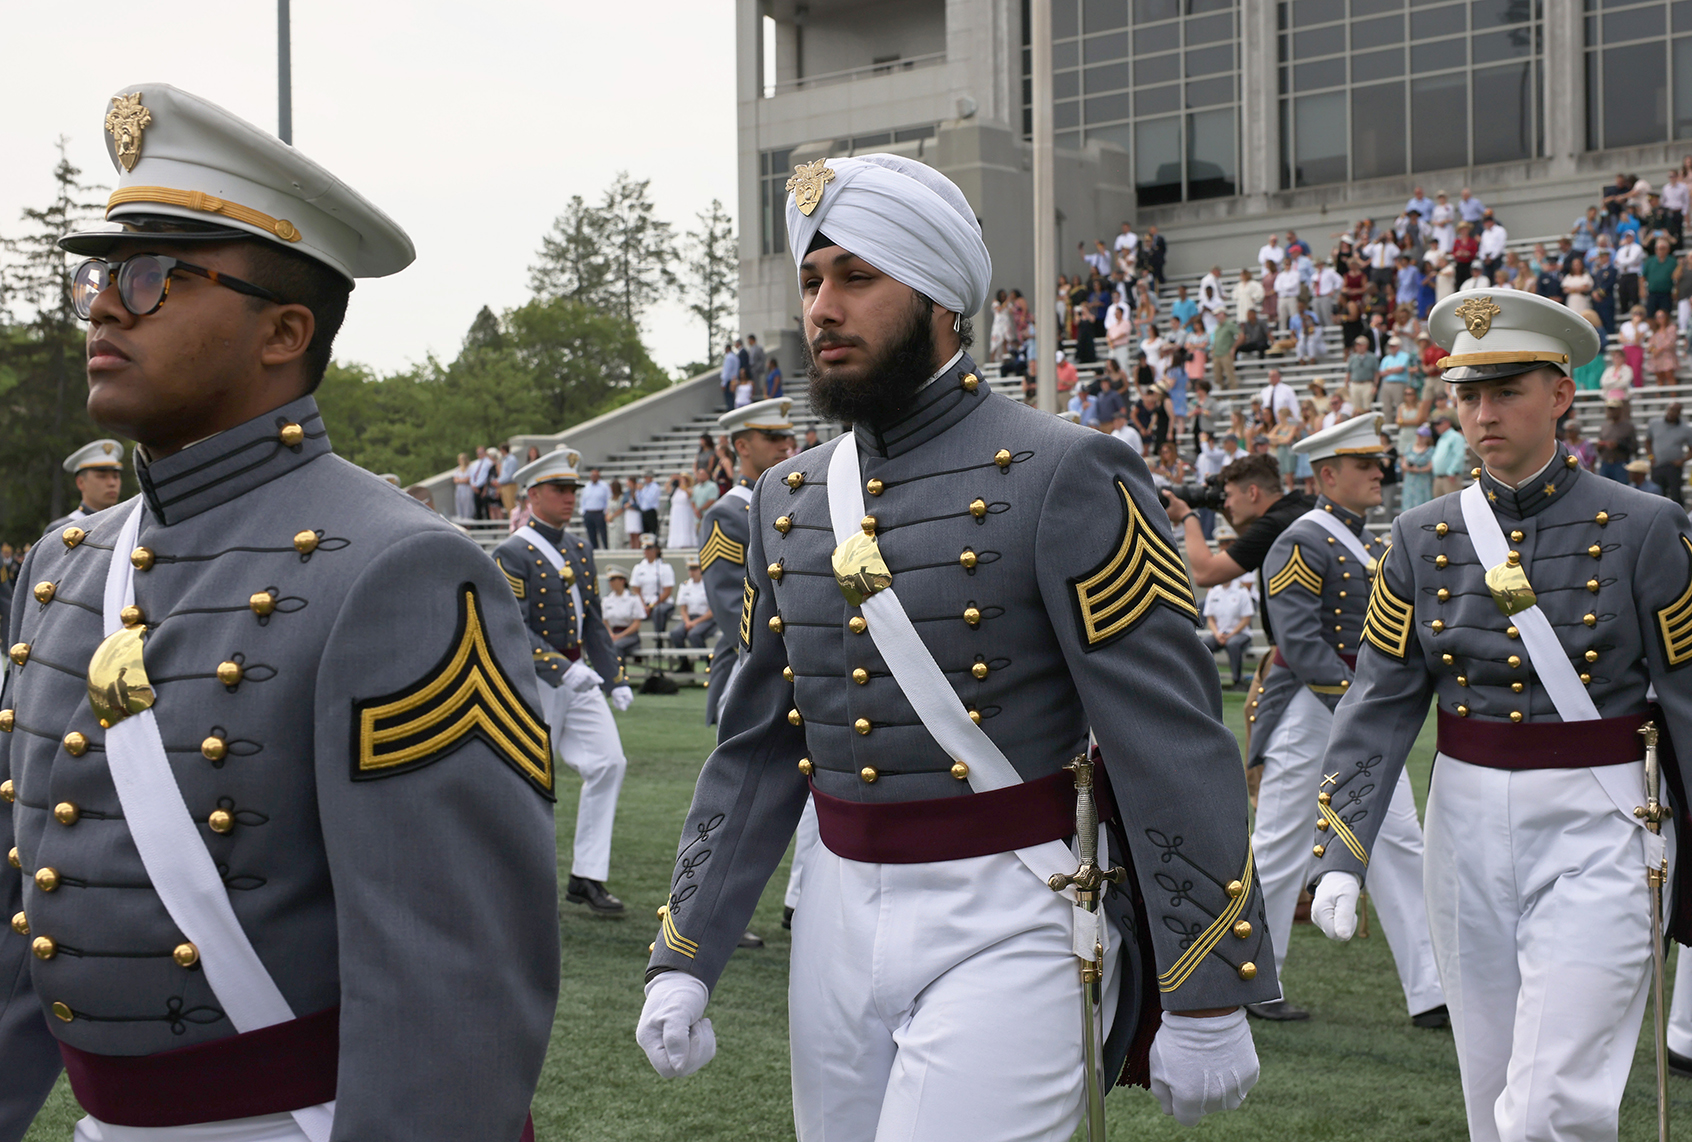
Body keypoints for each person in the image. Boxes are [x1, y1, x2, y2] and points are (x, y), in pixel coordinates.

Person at [639, 151, 1273, 1138]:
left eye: (857, 276)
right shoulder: (786, 497)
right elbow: (758, 741)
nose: (822, 308)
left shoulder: (1072, 471)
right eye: (812, 280)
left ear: (940, 296)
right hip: (835, 914)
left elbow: (1170, 737)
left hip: (1013, 909)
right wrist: (685, 949)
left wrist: (1209, 983)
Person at [0, 84, 556, 1140]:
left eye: (157, 275)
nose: (108, 305)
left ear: (284, 331)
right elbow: (21, 920)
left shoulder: (403, 570)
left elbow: (452, 993)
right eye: (104, 274)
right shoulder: (61, 565)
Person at [1308, 287, 1692, 1142]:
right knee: (1491, 1099)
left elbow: (1691, 705)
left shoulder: (1647, 526)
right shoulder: (1417, 535)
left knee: (1552, 1106)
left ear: (1561, 394)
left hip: (1604, 818)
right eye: (1468, 395)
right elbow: (1377, 705)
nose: (1484, 414)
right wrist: (1343, 851)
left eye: (1507, 390)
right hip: (1466, 820)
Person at [1242, 414, 1447, 1028]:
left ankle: (1431, 990)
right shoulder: (1302, 540)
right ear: (1328, 475)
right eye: (1365, 467)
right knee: (1280, 845)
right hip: (1311, 706)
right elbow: (1299, 640)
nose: (1378, 476)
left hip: (1357, 703)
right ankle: (1255, 976)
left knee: (1396, 840)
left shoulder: (1364, 540)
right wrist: (1357, 702)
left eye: (1377, 466)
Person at [493, 446, 634, 918]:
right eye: (560, 490)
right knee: (531, 781)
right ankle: (512, 881)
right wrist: (560, 667)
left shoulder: (579, 546)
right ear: (533, 495)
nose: (570, 498)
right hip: (536, 680)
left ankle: (587, 876)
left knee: (609, 763)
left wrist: (613, 676)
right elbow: (511, 623)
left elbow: (592, 618)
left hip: (580, 677)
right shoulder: (511, 551)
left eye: (573, 489)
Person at [697, 397, 795, 725]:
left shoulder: (794, 501)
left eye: (785, 437)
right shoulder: (726, 515)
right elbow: (729, 605)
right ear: (742, 446)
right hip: (755, 659)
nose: (784, 446)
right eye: (771, 438)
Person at [44, 440, 126, 534]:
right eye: (102, 476)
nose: (112, 483)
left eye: (116, 477)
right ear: (80, 482)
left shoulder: (130, 524)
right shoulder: (61, 531)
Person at [1201, 564, 1255, 689]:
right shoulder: (1214, 592)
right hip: (1219, 633)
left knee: (1233, 644)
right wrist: (1217, 634)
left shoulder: (1242, 592)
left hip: (1240, 633)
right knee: (1205, 645)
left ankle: (1237, 681)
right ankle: (1207, 682)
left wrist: (1231, 634)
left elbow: (1246, 619)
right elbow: (1210, 617)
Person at [668, 557, 715, 671]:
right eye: (690, 569)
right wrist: (688, 621)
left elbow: (712, 611)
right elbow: (683, 609)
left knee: (694, 635)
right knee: (675, 634)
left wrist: (695, 623)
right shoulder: (685, 586)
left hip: (706, 619)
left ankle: (708, 663)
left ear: (701, 570)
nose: (692, 572)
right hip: (690, 618)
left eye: (695, 569)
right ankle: (684, 663)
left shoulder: (708, 585)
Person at [630, 534, 675, 639]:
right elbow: (636, 590)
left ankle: (659, 639)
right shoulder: (638, 568)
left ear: (656, 550)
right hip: (643, 602)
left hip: (661, 602)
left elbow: (667, 591)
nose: (647, 552)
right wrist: (643, 605)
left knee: (658, 611)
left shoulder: (665, 567)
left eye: (650, 549)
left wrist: (652, 605)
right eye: (645, 549)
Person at [1648, 401, 1692, 507]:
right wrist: (1651, 457)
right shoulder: (1654, 423)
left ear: (1680, 413)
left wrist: (1682, 460)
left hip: (1673, 467)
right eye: (1671, 409)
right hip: (1657, 465)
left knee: (1676, 496)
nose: (1672, 413)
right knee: (1657, 496)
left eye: (1676, 411)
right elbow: (1647, 441)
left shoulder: (1685, 429)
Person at [601, 567, 645, 658]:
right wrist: (610, 634)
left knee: (616, 646)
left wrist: (620, 636)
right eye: (610, 580)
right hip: (613, 633)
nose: (610, 583)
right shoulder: (607, 600)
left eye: (613, 580)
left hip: (630, 635)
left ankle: (619, 671)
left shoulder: (633, 599)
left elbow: (636, 623)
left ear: (622, 581)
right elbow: (605, 621)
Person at [1430, 413, 1469, 496]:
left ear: (1447, 423)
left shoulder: (1456, 437)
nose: (1436, 427)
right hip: (1438, 477)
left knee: (1452, 505)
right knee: (1438, 506)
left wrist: (1451, 471)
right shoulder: (1441, 438)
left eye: (1439, 424)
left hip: (1450, 477)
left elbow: (1459, 455)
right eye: (1435, 425)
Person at [1400, 423, 1435, 510]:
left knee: (1422, 502)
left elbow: (1430, 466)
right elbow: (1403, 462)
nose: (1419, 438)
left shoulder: (1430, 450)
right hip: (1410, 480)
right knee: (1408, 502)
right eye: (1418, 436)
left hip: (1423, 481)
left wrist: (1418, 470)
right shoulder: (1409, 447)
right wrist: (1408, 468)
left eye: (1422, 436)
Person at [579, 466, 611, 549]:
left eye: (596, 476)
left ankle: (606, 549)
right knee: (591, 533)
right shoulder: (586, 486)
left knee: (603, 533)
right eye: (592, 476)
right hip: (589, 512)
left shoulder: (604, 486)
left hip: (599, 512)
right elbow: (582, 499)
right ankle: (594, 549)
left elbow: (608, 499)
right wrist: (583, 511)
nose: (594, 477)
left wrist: (606, 512)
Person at [1346, 336, 1380, 414]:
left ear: (1366, 345)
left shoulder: (1372, 357)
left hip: (1367, 383)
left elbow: (1376, 373)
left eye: (1360, 345)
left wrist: (1375, 385)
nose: (1358, 347)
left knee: (1367, 407)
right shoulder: (1352, 358)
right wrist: (1346, 384)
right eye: (1357, 345)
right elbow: (1349, 372)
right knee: (1356, 408)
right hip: (1355, 383)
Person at [720, 340, 741, 410]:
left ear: (727, 349)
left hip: (729, 381)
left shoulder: (728, 358)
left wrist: (723, 383)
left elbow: (727, 371)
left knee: (729, 399)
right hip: (734, 380)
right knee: (733, 397)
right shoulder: (735, 357)